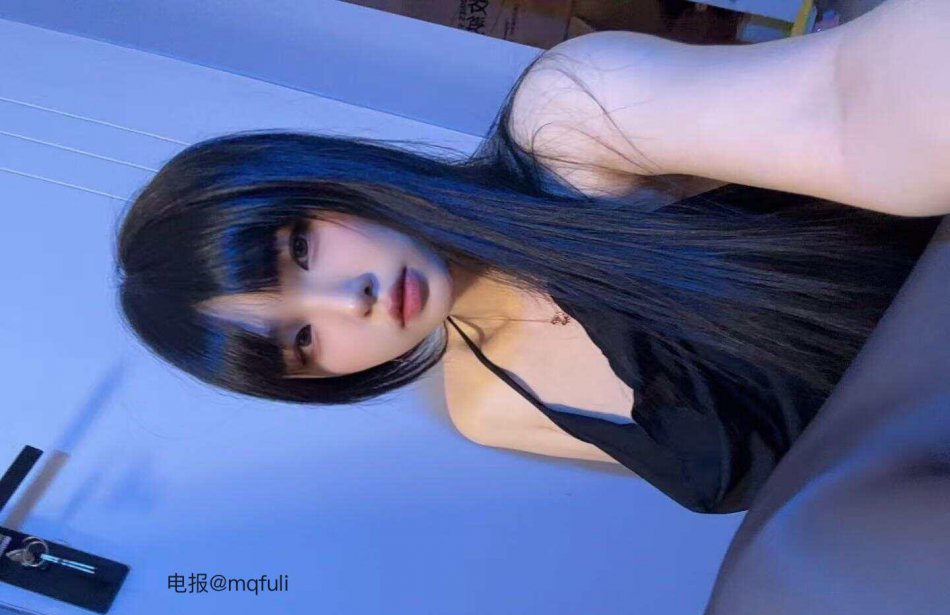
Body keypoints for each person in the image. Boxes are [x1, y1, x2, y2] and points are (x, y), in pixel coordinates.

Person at [113, 0, 947, 514]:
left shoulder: (571, 126)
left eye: (299, 249)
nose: (349, 301)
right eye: (302, 341)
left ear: (319, 181)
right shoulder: (490, 410)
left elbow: (857, 100)